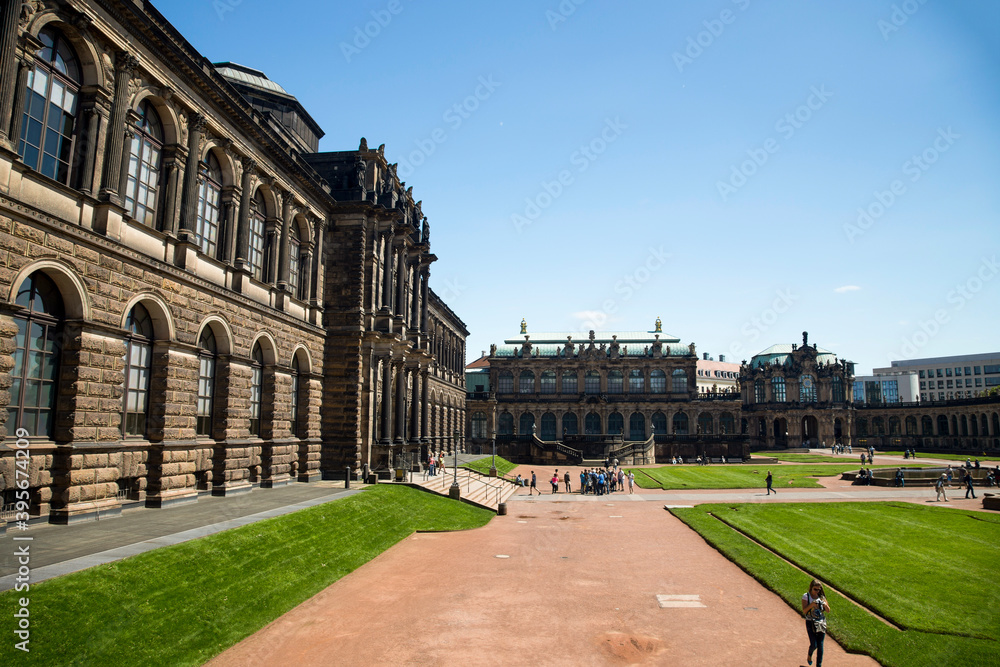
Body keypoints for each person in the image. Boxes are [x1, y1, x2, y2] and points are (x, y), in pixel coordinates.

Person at [802, 579, 830, 667]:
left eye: (819, 589)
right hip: (811, 622)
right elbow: (805, 611)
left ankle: (819, 665)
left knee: (820, 645)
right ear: (811, 588)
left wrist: (825, 605)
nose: (817, 591)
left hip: (821, 622)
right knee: (814, 644)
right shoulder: (806, 596)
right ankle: (809, 655)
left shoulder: (822, 597)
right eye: (815, 589)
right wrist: (812, 604)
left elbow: (828, 611)